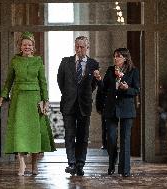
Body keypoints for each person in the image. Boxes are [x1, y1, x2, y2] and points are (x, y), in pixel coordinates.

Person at [0, 32, 55, 176]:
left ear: (33, 47)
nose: (27, 46)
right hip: (19, 98)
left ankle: (34, 164)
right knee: (20, 131)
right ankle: (21, 163)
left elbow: (43, 82)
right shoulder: (15, 61)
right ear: (20, 47)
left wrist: (45, 100)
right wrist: (2, 97)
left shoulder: (38, 61)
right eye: (24, 44)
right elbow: (9, 81)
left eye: (29, 44)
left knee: (34, 133)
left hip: (35, 99)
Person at [57, 36, 101, 176]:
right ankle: (71, 163)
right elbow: (60, 81)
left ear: (87, 47)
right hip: (68, 104)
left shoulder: (93, 64)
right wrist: (70, 94)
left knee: (82, 136)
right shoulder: (65, 62)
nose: (79, 49)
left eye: (82, 47)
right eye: (77, 46)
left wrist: (83, 95)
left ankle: (80, 164)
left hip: (84, 104)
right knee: (69, 135)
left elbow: (93, 85)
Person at [102, 48, 140, 176]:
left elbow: (136, 90)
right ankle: (112, 163)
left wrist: (127, 88)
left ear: (125, 58)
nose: (115, 58)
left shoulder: (133, 71)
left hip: (127, 109)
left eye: (118, 56)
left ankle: (125, 170)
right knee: (111, 139)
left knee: (125, 139)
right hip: (111, 108)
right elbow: (104, 87)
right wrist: (98, 79)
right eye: (114, 56)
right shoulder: (110, 70)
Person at [95, 83, 107, 150]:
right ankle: (105, 144)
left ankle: (112, 144)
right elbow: (98, 97)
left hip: (112, 108)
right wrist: (98, 108)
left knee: (113, 127)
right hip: (104, 109)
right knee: (104, 127)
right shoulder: (102, 84)